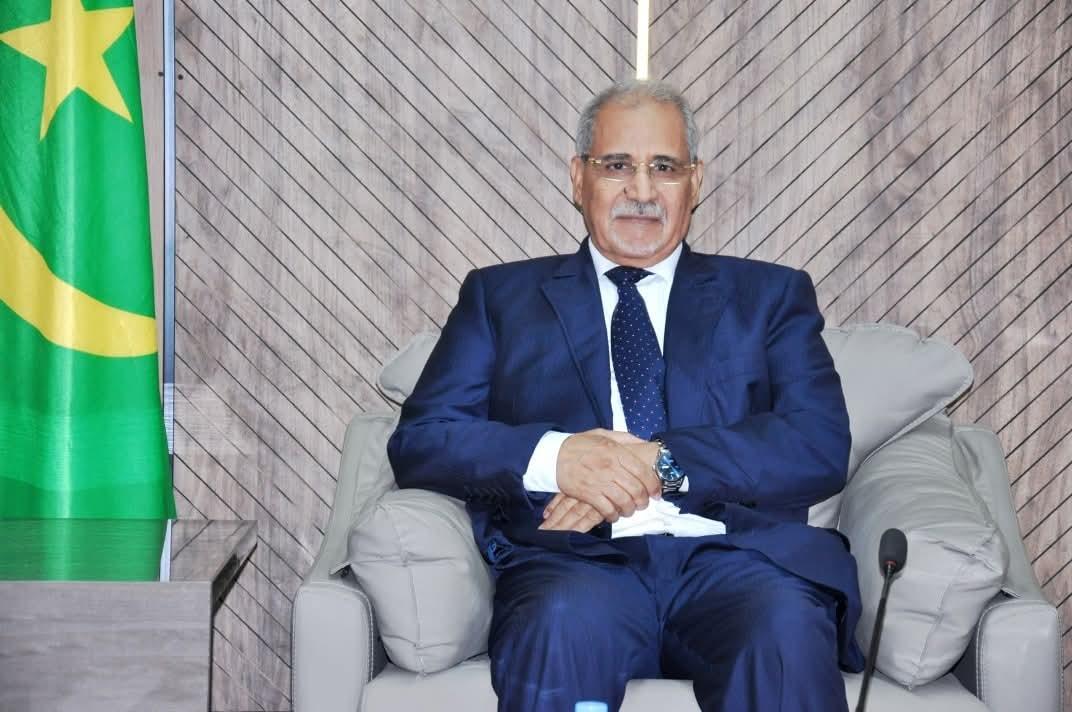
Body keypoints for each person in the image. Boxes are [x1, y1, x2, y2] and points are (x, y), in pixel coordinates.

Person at [387, 79, 864, 712]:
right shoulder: (500, 299)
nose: (641, 190)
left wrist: (657, 463)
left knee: (784, 630)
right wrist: (560, 458)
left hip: (738, 561)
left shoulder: (769, 297)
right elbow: (422, 440)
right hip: (575, 564)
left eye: (664, 168)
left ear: (695, 182)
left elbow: (817, 445)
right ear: (578, 178)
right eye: (617, 166)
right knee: (557, 623)